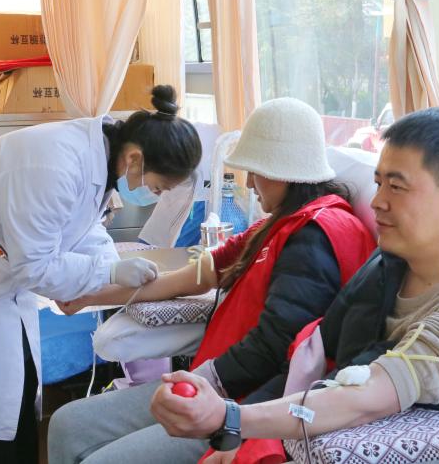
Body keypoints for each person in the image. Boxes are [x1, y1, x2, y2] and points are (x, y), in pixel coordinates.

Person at [150, 107, 439, 464]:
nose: (377, 202)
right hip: (290, 421)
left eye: (396, 186)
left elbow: (365, 397)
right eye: (378, 184)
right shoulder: (387, 265)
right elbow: (315, 358)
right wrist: (237, 427)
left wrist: (233, 419)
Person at [0, 85, 202, 464]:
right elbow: (35, 267)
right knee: (0, 407)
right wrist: (110, 270)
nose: (153, 196)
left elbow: (82, 224)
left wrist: (109, 264)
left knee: (19, 394)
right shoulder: (53, 163)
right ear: (135, 159)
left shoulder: (99, 159)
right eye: (157, 187)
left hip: (1, 274)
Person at [47, 98, 376, 464]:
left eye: (255, 171)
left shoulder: (314, 238)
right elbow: (192, 278)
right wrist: (89, 296)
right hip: (212, 384)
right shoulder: (274, 227)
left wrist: (207, 383)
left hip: (246, 401)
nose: (249, 183)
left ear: (281, 171)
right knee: (68, 424)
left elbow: (274, 346)